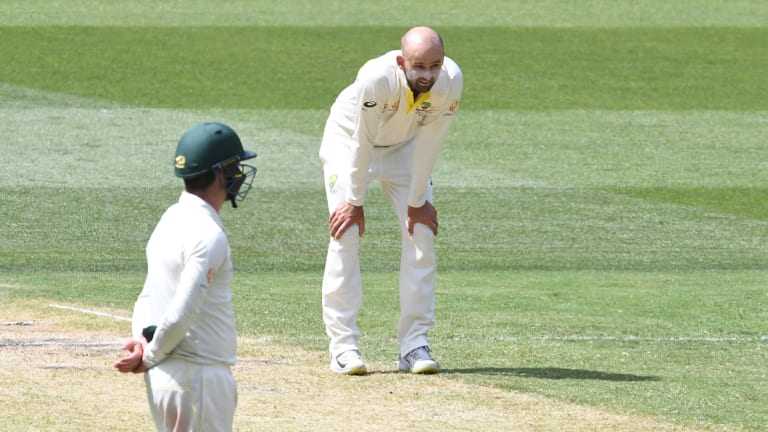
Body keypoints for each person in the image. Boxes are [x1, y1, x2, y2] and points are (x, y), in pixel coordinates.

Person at [319, 26, 463, 375]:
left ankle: (414, 345)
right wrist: (354, 200)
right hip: (348, 142)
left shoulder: (451, 79)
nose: (427, 74)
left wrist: (417, 200)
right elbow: (361, 139)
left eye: (435, 64)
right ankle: (344, 347)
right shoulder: (376, 77)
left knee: (422, 235)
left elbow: (432, 140)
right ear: (402, 62)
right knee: (346, 232)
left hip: (405, 149)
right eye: (418, 66)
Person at [113, 122, 258, 431]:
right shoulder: (208, 235)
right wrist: (149, 355)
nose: (240, 174)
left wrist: (141, 340)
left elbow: (147, 295)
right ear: (221, 173)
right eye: (235, 166)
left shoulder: (170, 218)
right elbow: (183, 310)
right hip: (198, 376)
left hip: (169, 379)